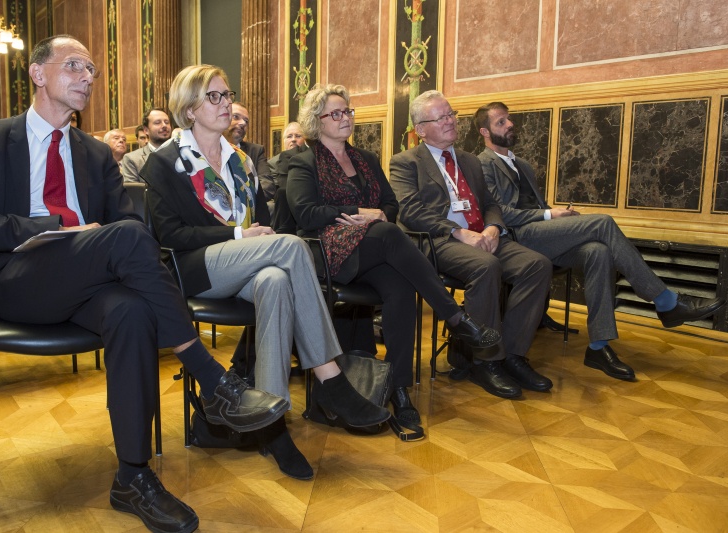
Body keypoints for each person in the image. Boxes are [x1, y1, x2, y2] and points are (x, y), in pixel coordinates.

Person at [0, 35, 289, 533]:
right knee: (129, 236)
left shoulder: (93, 153)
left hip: (86, 282)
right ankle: (211, 378)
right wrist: (55, 231)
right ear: (38, 75)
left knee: (129, 310)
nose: (88, 76)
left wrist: (93, 241)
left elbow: (122, 231)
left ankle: (132, 475)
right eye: (74, 66)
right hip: (14, 280)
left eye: (91, 69)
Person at [142, 64, 394, 481]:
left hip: (250, 263)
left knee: (277, 280)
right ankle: (330, 377)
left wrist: (250, 235)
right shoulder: (165, 162)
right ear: (189, 109)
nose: (227, 105)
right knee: (291, 246)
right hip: (196, 266)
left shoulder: (241, 161)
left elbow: (263, 219)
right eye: (215, 97)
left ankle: (272, 427)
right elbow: (171, 234)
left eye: (227, 94)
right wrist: (239, 233)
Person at [286, 83, 502, 422]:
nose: (346, 118)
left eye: (348, 111)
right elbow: (306, 214)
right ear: (317, 121)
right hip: (327, 252)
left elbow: (390, 204)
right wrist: (359, 211)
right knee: (387, 232)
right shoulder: (303, 162)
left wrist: (375, 214)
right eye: (337, 113)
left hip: (369, 248)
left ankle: (399, 389)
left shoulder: (366, 159)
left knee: (401, 287)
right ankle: (455, 317)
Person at [475, 101, 725, 380]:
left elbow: (536, 205)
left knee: (598, 251)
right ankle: (666, 302)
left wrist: (557, 216)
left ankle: (598, 346)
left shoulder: (522, 164)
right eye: (500, 122)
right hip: (519, 237)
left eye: (509, 119)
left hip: (544, 235)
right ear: (485, 131)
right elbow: (501, 213)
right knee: (602, 222)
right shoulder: (482, 164)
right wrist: (550, 214)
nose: (509, 124)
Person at [389, 90, 554, 399]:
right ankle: (485, 361)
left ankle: (513, 356)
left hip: (483, 235)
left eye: (451, 114)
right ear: (420, 129)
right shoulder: (406, 162)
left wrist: (493, 227)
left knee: (537, 265)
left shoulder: (469, 160)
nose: (451, 121)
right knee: (486, 266)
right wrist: (458, 233)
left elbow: (490, 202)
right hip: (438, 240)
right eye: (441, 118)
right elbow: (410, 211)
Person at [223, 101, 275, 199]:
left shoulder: (255, 151)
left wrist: (243, 201)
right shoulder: (209, 148)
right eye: (236, 117)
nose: (243, 123)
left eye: (246, 121)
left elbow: (267, 186)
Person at [122, 107, 171, 182]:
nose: (164, 125)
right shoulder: (132, 159)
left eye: (167, 122)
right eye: (158, 123)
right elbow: (134, 191)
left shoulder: (181, 153)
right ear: (146, 130)